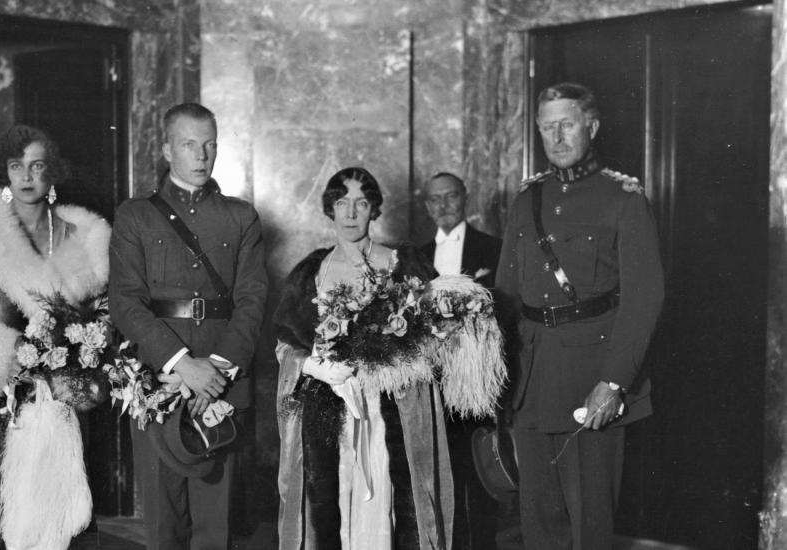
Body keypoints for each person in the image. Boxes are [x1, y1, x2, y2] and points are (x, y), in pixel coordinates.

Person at [495, 82, 664, 549]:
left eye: (567, 124)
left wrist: (613, 383)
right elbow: (506, 296)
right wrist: (494, 376)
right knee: (539, 523)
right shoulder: (526, 200)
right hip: (530, 381)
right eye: (547, 127)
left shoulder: (623, 198)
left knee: (590, 526)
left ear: (591, 126)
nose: (557, 137)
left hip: (591, 381)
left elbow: (644, 299)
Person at [0, 125, 111, 549]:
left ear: (52, 173)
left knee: (62, 523)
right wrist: (9, 351)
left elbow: (105, 314)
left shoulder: (81, 239)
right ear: (5, 174)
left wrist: (80, 351)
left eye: (37, 166)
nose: (27, 177)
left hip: (63, 400)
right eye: (17, 167)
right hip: (1, 404)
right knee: (4, 526)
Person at [109, 102, 268, 550]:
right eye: (188, 144)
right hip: (160, 381)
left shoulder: (241, 217)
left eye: (210, 145)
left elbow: (253, 301)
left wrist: (215, 370)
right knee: (164, 525)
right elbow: (125, 302)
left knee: (214, 527)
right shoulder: (136, 216)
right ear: (165, 149)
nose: (201, 156)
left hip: (221, 382)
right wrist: (183, 365)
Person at [274, 167, 454, 549]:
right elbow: (285, 345)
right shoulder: (311, 272)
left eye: (361, 203)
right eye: (342, 203)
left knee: (389, 508)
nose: (351, 213)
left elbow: (439, 339)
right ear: (330, 209)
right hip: (330, 415)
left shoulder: (403, 265)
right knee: (333, 511)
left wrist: (394, 366)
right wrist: (314, 367)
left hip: (390, 413)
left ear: (374, 209)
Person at [420, 171, 503, 549]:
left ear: (465, 198)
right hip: (432, 380)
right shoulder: (415, 257)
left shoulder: (493, 248)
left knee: (481, 472)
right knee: (440, 472)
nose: (443, 206)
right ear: (426, 206)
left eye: (450, 197)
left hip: (477, 380)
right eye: (435, 199)